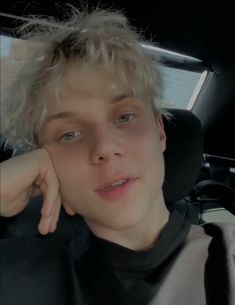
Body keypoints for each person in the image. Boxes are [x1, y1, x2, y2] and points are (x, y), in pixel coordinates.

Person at [0, 6, 234, 305]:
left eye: (124, 116)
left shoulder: (230, 252)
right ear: (44, 163)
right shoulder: (12, 275)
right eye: (69, 134)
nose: (105, 148)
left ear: (160, 133)